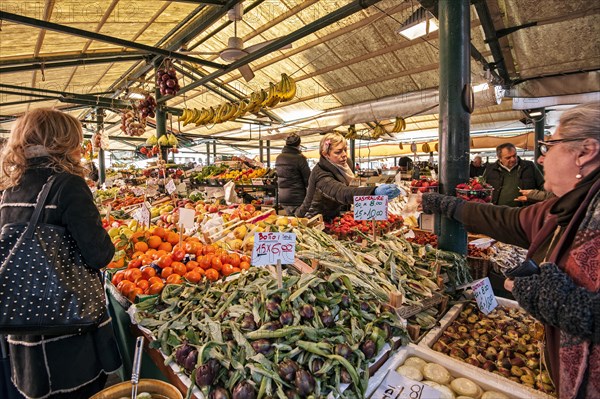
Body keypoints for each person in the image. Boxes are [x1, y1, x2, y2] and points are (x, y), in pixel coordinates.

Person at [418, 102, 600, 398]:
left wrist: (563, 303)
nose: (541, 159)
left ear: (585, 152)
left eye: (550, 146)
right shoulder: (566, 207)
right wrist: (446, 205)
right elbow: (509, 221)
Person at [0, 109, 122, 399]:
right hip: (67, 321)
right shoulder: (67, 185)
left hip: (26, 318)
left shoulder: (10, 189)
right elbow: (99, 254)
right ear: (64, 141)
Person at [295, 132, 401, 221]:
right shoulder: (320, 174)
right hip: (312, 218)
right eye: (338, 152)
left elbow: (350, 186)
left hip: (332, 215)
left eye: (345, 149)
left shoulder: (345, 165)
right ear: (325, 154)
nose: (344, 154)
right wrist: (373, 191)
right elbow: (342, 192)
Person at [275, 133, 311, 215]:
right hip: (297, 198)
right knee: (299, 223)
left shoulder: (279, 158)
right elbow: (308, 179)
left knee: (290, 222)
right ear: (298, 144)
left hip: (283, 197)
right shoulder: (299, 158)